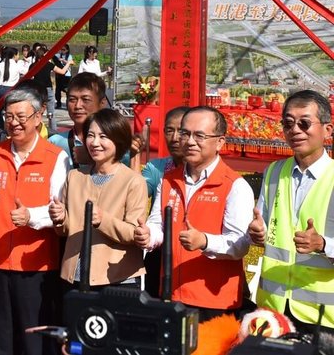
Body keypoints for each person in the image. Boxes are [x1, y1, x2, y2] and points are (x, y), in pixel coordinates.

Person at [0, 84, 67, 355]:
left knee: (33, 339)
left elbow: (61, 209)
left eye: (21, 116)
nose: (14, 123)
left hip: (36, 263)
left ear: (38, 117)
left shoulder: (56, 157)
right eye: (9, 117)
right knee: (0, 337)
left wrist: (31, 216)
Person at [134, 106, 254, 322]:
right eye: (184, 133)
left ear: (220, 141)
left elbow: (239, 245)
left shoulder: (235, 185)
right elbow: (158, 224)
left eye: (199, 135)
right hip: (171, 292)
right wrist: (148, 235)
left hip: (214, 300)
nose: (189, 141)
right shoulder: (168, 179)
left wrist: (204, 241)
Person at [248, 90, 334, 335]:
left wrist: (323, 244)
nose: (295, 130)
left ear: (327, 130)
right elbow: (265, 227)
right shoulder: (274, 171)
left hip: (323, 315)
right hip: (273, 309)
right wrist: (256, 233)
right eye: (288, 123)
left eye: (304, 123)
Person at [49, 109, 148, 290]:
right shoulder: (75, 176)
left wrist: (103, 220)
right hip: (75, 276)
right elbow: (67, 230)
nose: (95, 143)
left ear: (118, 140)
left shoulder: (134, 181)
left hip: (116, 277)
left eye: (103, 137)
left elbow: (133, 233)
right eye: (90, 136)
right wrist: (60, 217)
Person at [139, 106, 189, 297]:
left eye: (181, 131)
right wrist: (136, 156)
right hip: (159, 251)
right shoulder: (157, 168)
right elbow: (137, 195)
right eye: (169, 130)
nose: (175, 138)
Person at [48, 72, 106, 170]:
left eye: (85, 99)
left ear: (102, 103)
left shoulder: (115, 143)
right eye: (72, 99)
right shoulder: (54, 143)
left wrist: (94, 160)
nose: (78, 106)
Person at [30, 45, 69, 134]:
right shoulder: (48, 64)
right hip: (48, 90)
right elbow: (62, 71)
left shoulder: (33, 65)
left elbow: (30, 78)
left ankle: (36, 130)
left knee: (37, 111)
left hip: (37, 90)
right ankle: (54, 132)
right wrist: (68, 63)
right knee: (51, 113)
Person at [0, 47, 24, 128]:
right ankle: (7, 128)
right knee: (9, 110)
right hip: (10, 89)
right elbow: (25, 71)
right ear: (14, 55)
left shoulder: (1, 64)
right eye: (17, 54)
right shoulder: (17, 65)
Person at [54, 45, 74, 110]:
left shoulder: (69, 56)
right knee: (58, 90)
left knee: (67, 90)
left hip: (67, 75)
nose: (62, 51)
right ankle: (58, 103)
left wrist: (63, 60)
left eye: (64, 49)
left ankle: (68, 103)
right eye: (61, 49)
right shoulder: (57, 55)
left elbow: (72, 63)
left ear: (67, 50)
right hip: (59, 75)